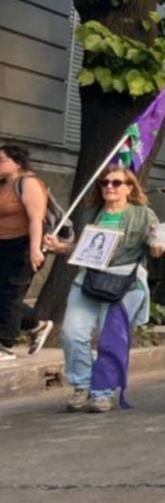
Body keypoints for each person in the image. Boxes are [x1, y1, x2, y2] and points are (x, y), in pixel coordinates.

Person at [41, 166, 161, 412]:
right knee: (72, 334)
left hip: (124, 284)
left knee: (111, 339)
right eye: (104, 182)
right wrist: (60, 246)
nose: (109, 186)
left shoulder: (143, 215)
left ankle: (103, 391)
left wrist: (159, 244)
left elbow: (155, 247)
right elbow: (83, 247)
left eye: (116, 183)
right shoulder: (90, 213)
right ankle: (82, 385)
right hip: (89, 279)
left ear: (129, 188)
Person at [1, 144, 53, 360]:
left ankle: (5, 344)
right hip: (2, 244)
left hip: (23, 245)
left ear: (17, 162)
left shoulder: (28, 183)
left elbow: (36, 219)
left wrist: (34, 250)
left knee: (10, 294)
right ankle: (35, 325)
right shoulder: (3, 184)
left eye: (1, 159)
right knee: (2, 296)